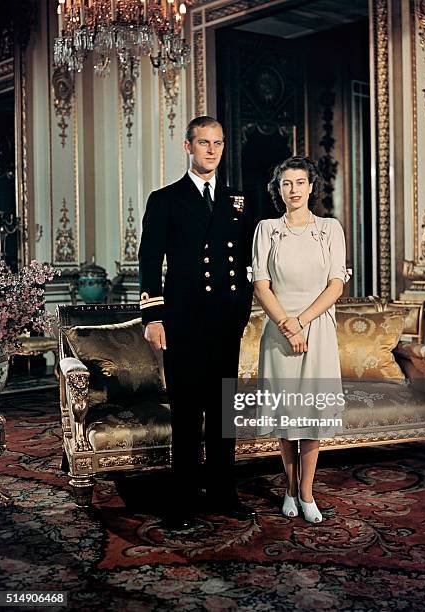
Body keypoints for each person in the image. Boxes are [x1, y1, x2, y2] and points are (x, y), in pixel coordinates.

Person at [138, 116, 256, 529]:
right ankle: (184, 498)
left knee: (224, 411)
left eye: (218, 143)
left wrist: (243, 308)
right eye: (203, 143)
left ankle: (224, 492)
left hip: (226, 322)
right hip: (183, 322)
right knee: (187, 414)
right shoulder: (166, 198)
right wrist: (153, 315)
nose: (211, 150)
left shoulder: (238, 200)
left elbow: (245, 260)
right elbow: (149, 260)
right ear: (188, 147)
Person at [252, 156, 350, 523]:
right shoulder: (266, 229)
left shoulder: (329, 228)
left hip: (317, 328)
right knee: (285, 415)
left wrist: (303, 323)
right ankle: (288, 488)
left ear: (312, 187)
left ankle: (306, 493)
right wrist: (286, 325)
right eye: (286, 183)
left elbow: (336, 284)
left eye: (300, 182)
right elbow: (261, 283)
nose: (293, 190)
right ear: (278, 189)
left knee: (311, 416)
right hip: (278, 330)